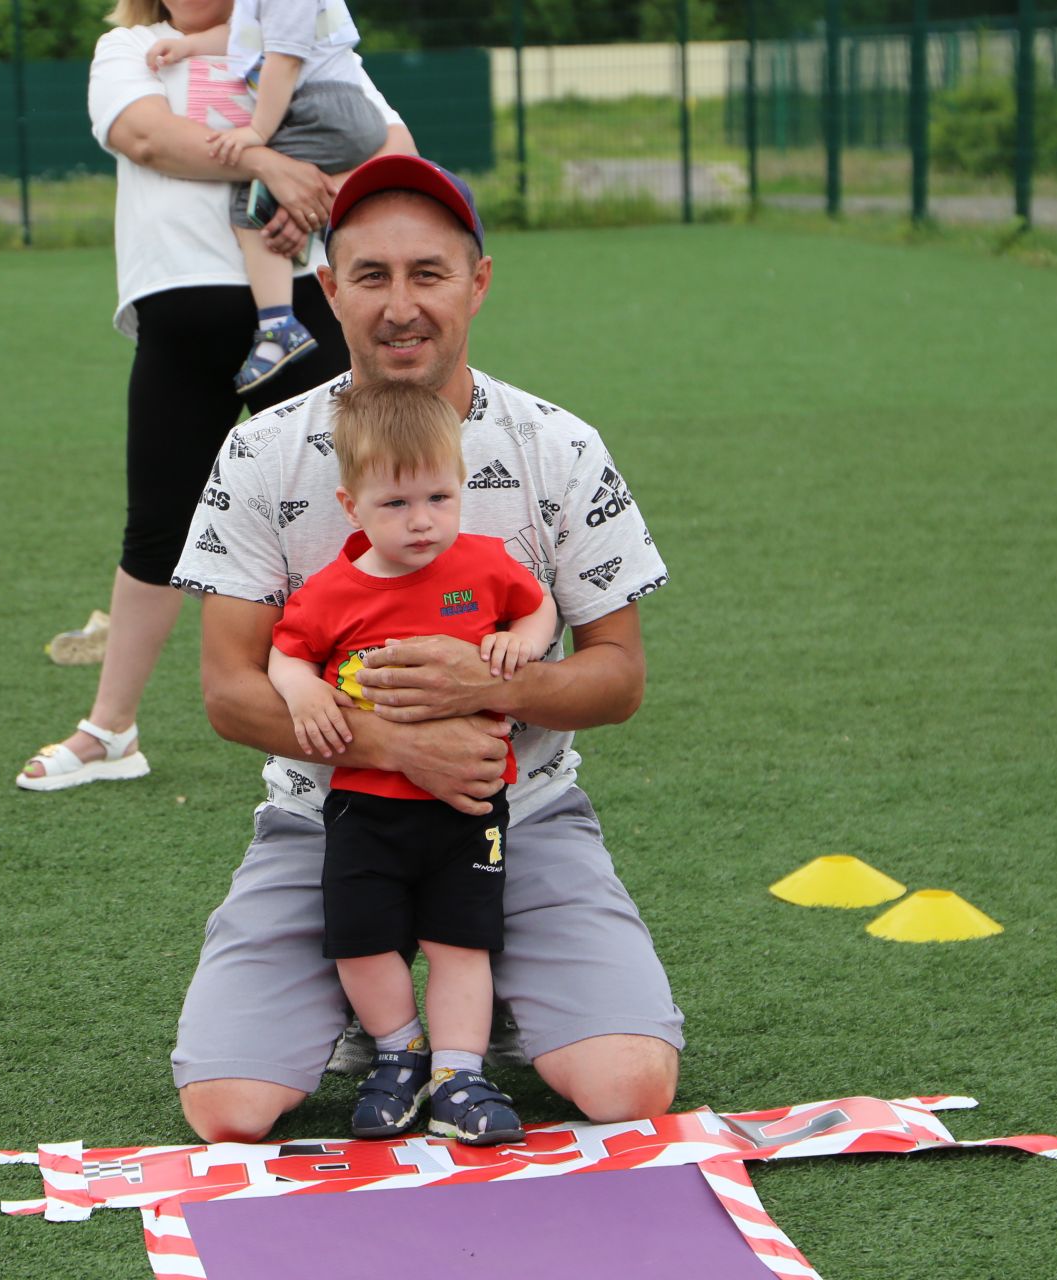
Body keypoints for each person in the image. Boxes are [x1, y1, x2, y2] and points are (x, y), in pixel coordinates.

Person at [166, 153, 683, 1144]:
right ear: (328, 289)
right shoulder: (263, 450)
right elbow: (232, 692)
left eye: (429, 273)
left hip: (517, 815)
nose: (402, 306)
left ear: (477, 281)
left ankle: (483, 1010)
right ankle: (391, 1020)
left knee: (630, 1082)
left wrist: (503, 678)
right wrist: (390, 744)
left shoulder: (556, 445)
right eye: (370, 276)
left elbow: (618, 674)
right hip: (325, 819)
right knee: (227, 1104)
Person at [17, 0, 412, 793]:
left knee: (356, 516)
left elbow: (391, 147)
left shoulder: (292, 32)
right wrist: (268, 165)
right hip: (182, 317)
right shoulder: (132, 46)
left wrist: (320, 188)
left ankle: (374, 714)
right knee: (159, 525)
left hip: (307, 309)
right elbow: (146, 137)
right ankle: (111, 730)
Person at [268, 381, 559, 1144]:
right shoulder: (334, 591)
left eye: (439, 495)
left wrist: (524, 641)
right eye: (396, 504)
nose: (422, 520)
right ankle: (400, 1054)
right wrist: (302, 694)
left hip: (468, 806)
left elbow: (537, 604)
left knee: (461, 941)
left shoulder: (484, 565)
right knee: (362, 940)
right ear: (351, 504)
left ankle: (461, 1073)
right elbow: (285, 651)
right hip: (365, 808)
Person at [142, 0, 386, 395]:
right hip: (328, 109)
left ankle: (278, 325)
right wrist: (188, 47)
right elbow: (244, 40)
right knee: (271, 193)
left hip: (322, 108)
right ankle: (309, 240)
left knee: (249, 202)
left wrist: (257, 132)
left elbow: (283, 60)